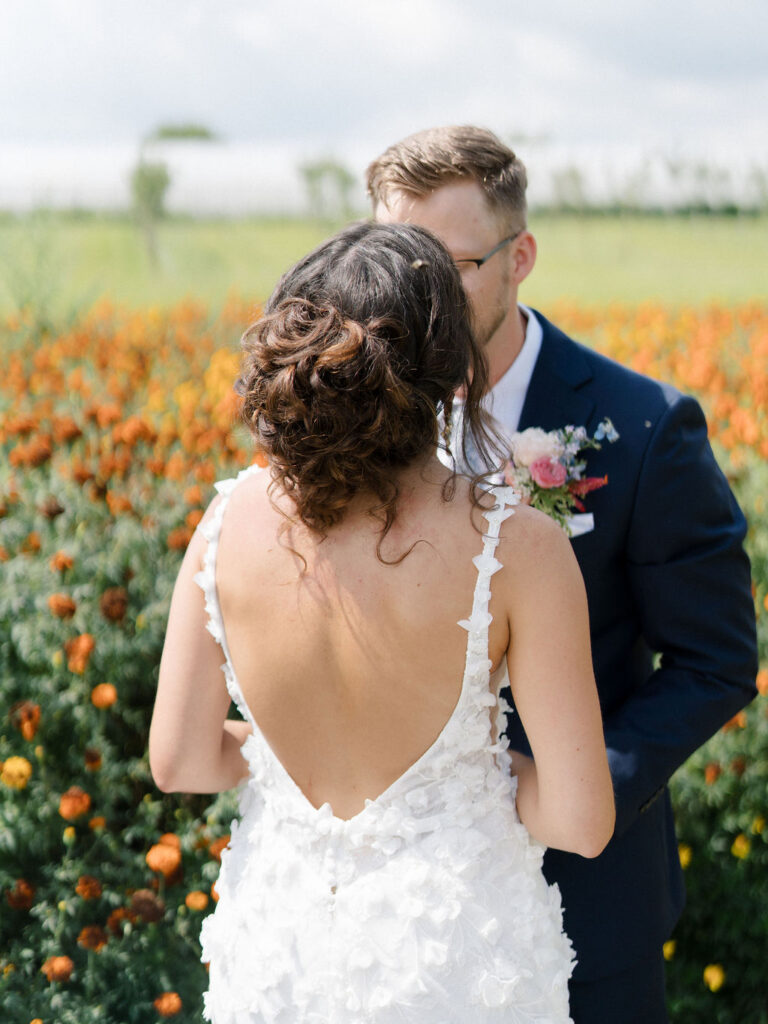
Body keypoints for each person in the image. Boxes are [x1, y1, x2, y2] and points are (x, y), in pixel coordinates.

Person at [149, 220, 616, 1023]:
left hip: (283, 946)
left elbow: (182, 761)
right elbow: (579, 820)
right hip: (456, 955)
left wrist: (277, 749)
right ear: (447, 371)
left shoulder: (224, 528)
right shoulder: (517, 548)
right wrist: (465, 778)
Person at [367, 125, 759, 1023]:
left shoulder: (645, 426)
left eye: (452, 268)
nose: (418, 302)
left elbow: (716, 660)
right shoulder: (355, 419)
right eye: (401, 264)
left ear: (520, 257)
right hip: (398, 888)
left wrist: (562, 785)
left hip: (586, 893)